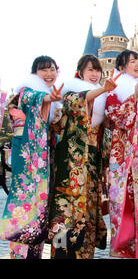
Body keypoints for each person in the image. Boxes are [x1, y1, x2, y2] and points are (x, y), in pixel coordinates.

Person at [47, 54, 119, 259]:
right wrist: (104, 90)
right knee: (65, 211)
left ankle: (84, 254)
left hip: (92, 165)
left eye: (97, 70)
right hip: (70, 165)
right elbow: (79, 101)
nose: (95, 74)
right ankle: (61, 253)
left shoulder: (101, 101)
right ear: (80, 72)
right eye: (90, 70)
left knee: (87, 210)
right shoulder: (71, 92)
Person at [0, 56, 62, 259]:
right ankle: (19, 254)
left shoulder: (48, 95)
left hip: (41, 157)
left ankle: (33, 252)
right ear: (34, 73)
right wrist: (48, 99)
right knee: (25, 200)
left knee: (39, 204)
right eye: (44, 70)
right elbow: (35, 98)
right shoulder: (28, 91)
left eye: (52, 69)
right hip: (27, 157)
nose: (49, 73)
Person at [105, 50, 138, 258]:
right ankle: (124, 247)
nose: (137, 64)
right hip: (127, 153)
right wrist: (134, 97)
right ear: (121, 67)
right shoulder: (116, 90)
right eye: (132, 61)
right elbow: (115, 117)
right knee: (126, 199)